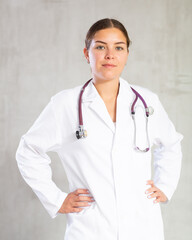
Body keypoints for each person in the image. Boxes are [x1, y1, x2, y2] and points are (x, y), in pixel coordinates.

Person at [16, 18, 183, 240]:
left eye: (119, 47)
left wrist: (165, 185)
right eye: (101, 46)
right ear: (87, 53)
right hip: (90, 229)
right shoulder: (65, 104)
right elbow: (28, 151)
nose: (110, 55)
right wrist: (57, 199)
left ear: (127, 54)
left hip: (143, 227)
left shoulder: (147, 102)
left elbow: (171, 144)